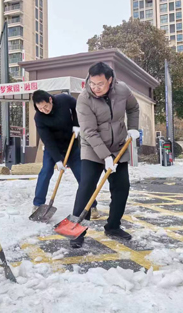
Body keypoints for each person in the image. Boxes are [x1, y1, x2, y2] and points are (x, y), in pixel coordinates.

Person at [71, 62, 140, 248]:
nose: (95, 88)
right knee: (87, 187)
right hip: (92, 148)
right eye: (92, 83)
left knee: (121, 187)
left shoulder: (123, 90)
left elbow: (133, 107)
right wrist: (106, 157)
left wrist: (133, 128)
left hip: (118, 146)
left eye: (100, 84)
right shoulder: (84, 99)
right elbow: (89, 132)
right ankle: (77, 230)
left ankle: (113, 226)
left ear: (110, 80)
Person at [31, 90, 98, 218]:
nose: (44, 110)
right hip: (53, 148)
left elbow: (78, 108)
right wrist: (57, 159)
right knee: (45, 171)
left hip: (71, 145)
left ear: (50, 100)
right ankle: (38, 204)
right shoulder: (39, 118)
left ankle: (92, 205)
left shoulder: (64, 99)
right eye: (40, 108)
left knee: (82, 175)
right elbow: (47, 140)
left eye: (46, 106)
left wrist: (77, 125)